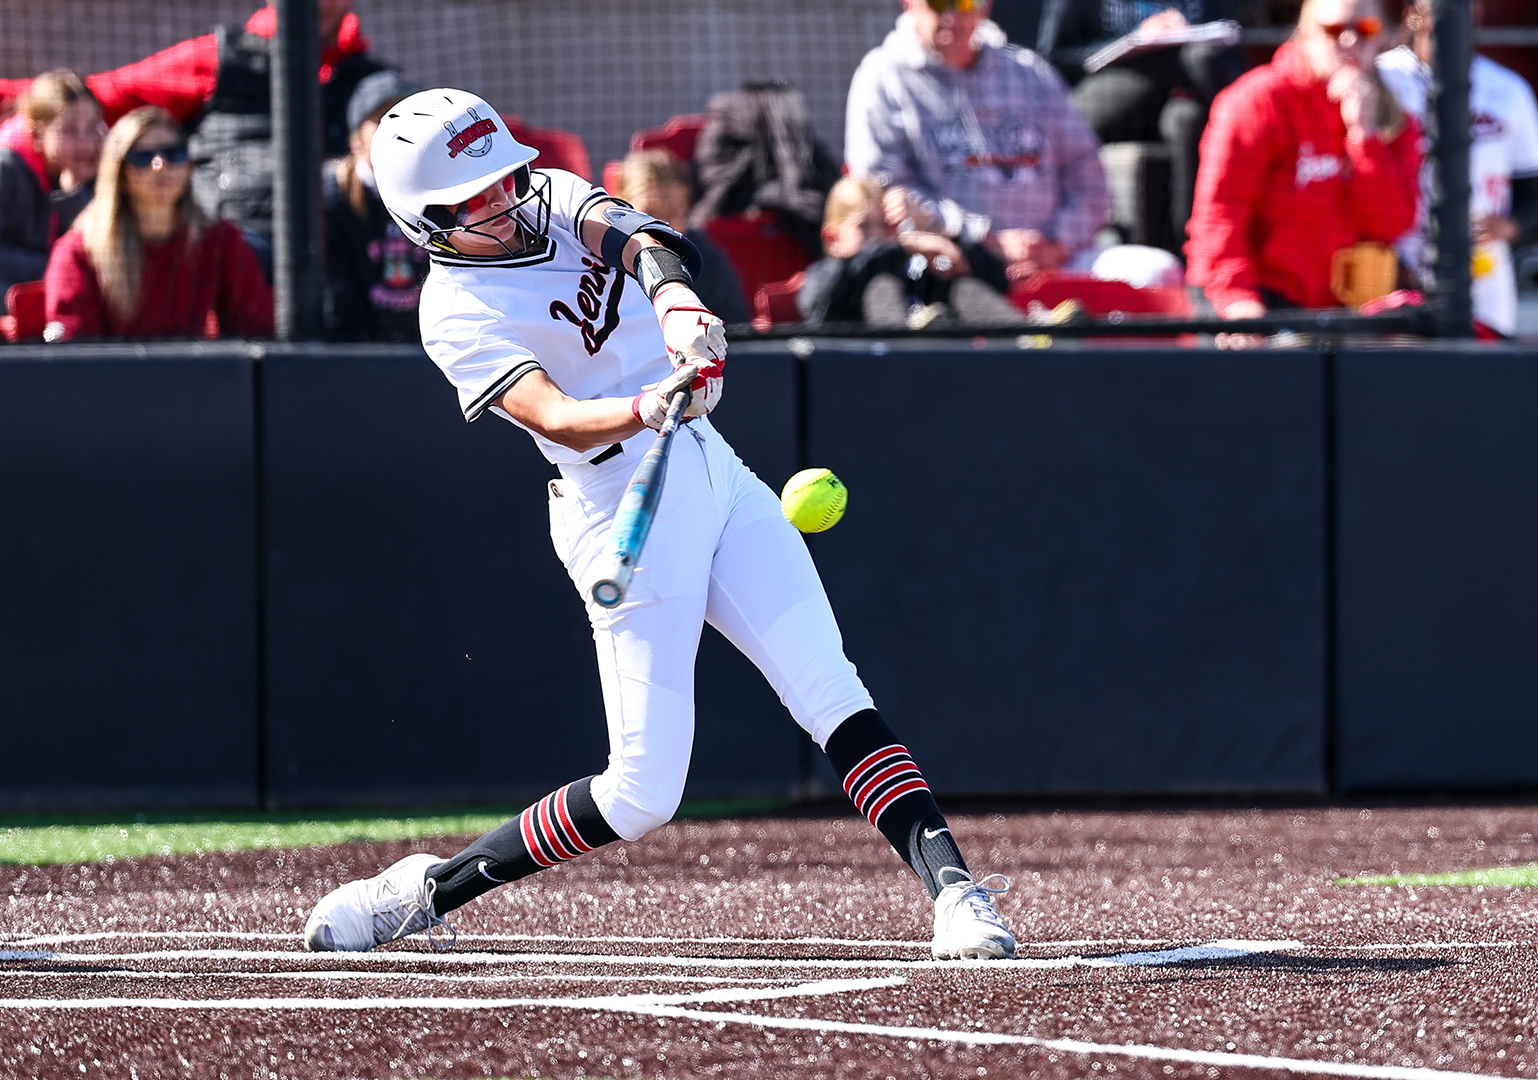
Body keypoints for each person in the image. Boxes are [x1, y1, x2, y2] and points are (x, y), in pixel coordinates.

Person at [300, 89, 1018, 961]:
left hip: (712, 470)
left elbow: (638, 239)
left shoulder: (553, 198)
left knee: (832, 690)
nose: (502, 201)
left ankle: (955, 890)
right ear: (427, 225)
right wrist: (648, 403)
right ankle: (427, 889)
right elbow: (557, 416)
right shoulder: (454, 314)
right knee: (643, 793)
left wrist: (678, 307)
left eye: (502, 179)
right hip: (614, 512)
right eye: (473, 199)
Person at [0, 1, 386, 250]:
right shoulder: (223, 59)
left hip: (350, 257)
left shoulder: (372, 85)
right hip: (235, 244)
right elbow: (108, 94)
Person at [844, 0, 1111, 282]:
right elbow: (885, 192)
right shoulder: (882, 77)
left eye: (965, 2)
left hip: (1056, 259)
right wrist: (985, 238)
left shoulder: (1029, 72)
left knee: (1151, 270)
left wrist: (1057, 244)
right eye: (937, 2)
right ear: (909, 3)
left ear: (986, 7)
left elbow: (1089, 176)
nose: (952, 14)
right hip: (949, 265)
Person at [1186, 0, 1420, 320]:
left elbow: (1392, 225)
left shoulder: (1391, 114)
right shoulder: (1257, 101)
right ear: (1305, 33)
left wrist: (1363, 138)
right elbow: (1219, 219)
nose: (1350, 41)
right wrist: (1237, 301)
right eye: (1334, 30)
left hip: (1349, 311)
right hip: (1268, 304)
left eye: (1365, 29)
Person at [1376, 0, 1538, 337]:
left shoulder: (1508, 90)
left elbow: (1533, 195)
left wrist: (1505, 227)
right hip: (1394, 260)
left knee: (1481, 375)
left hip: (1481, 269)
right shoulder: (1382, 79)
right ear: (1412, 13)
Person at [42, 107, 273, 341]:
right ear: (118, 173)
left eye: (174, 153)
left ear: (188, 165)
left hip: (193, 373)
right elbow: (77, 353)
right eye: (142, 157)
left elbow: (256, 326)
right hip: (114, 375)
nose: (160, 165)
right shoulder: (78, 250)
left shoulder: (218, 238)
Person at [1037, 0, 1243, 246]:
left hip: (1182, 97)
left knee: (1186, 119)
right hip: (1110, 94)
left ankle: (1196, 249)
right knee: (1193, 59)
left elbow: (1231, 49)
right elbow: (1054, 58)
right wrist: (1138, 39)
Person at [800, 175, 1023, 327]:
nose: (878, 237)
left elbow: (996, 277)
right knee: (881, 286)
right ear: (832, 238)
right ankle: (905, 346)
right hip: (865, 375)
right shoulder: (825, 274)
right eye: (864, 227)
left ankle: (1030, 337)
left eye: (886, 225)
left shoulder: (913, 274)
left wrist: (933, 230)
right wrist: (905, 244)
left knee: (961, 286)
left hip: (937, 373)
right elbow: (817, 301)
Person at [322, 70, 432, 342]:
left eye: (406, 119)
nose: (396, 132)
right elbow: (338, 305)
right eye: (382, 120)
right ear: (355, 140)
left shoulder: (444, 195)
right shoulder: (329, 201)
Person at [618, 149, 749, 326]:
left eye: (675, 214)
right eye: (649, 213)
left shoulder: (708, 260)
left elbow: (733, 328)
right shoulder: (595, 261)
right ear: (620, 205)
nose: (662, 226)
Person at [0, 70, 103, 294]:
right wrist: (59, 268)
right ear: (36, 136)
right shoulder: (5, 168)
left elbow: (92, 253)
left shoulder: (92, 169)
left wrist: (75, 196)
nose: (86, 143)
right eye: (70, 130)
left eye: (92, 127)